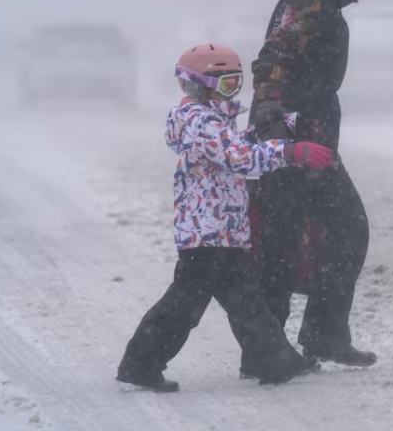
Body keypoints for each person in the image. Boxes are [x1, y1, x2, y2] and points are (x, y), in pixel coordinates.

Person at [116, 43, 336, 392]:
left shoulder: (213, 119)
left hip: (225, 229)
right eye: (226, 84)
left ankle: (276, 362)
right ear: (197, 85)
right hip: (206, 232)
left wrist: (273, 127)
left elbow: (235, 145)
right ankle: (140, 364)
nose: (232, 91)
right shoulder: (199, 120)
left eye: (237, 83)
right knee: (184, 303)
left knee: (246, 301)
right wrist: (289, 151)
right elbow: (238, 157)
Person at [248, 0, 393, 368]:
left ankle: (323, 335)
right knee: (281, 241)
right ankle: (266, 352)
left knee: (344, 229)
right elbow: (273, 57)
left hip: (314, 136)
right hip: (290, 136)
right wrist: (270, 113)